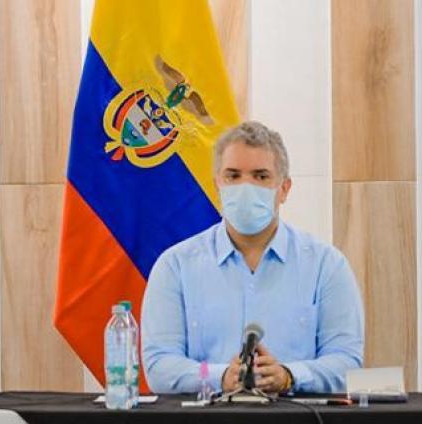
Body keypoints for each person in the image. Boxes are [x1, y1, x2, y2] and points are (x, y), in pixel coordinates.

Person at [142, 121, 364, 395]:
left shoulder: (326, 265)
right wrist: (218, 376)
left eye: (260, 176)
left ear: (284, 189)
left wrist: (289, 376)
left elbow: (347, 361)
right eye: (233, 176)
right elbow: (159, 367)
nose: (245, 187)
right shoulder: (175, 266)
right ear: (217, 186)